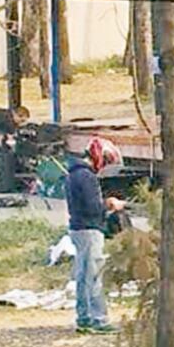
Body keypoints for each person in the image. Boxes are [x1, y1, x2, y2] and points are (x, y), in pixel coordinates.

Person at [66, 137, 121, 334]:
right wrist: (109, 204)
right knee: (93, 276)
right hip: (89, 229)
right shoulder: (86, 177)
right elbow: (92, 207)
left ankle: (84, 316)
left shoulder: (74, 174)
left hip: (78, 228)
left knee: (84, 275)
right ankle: (98, 319)